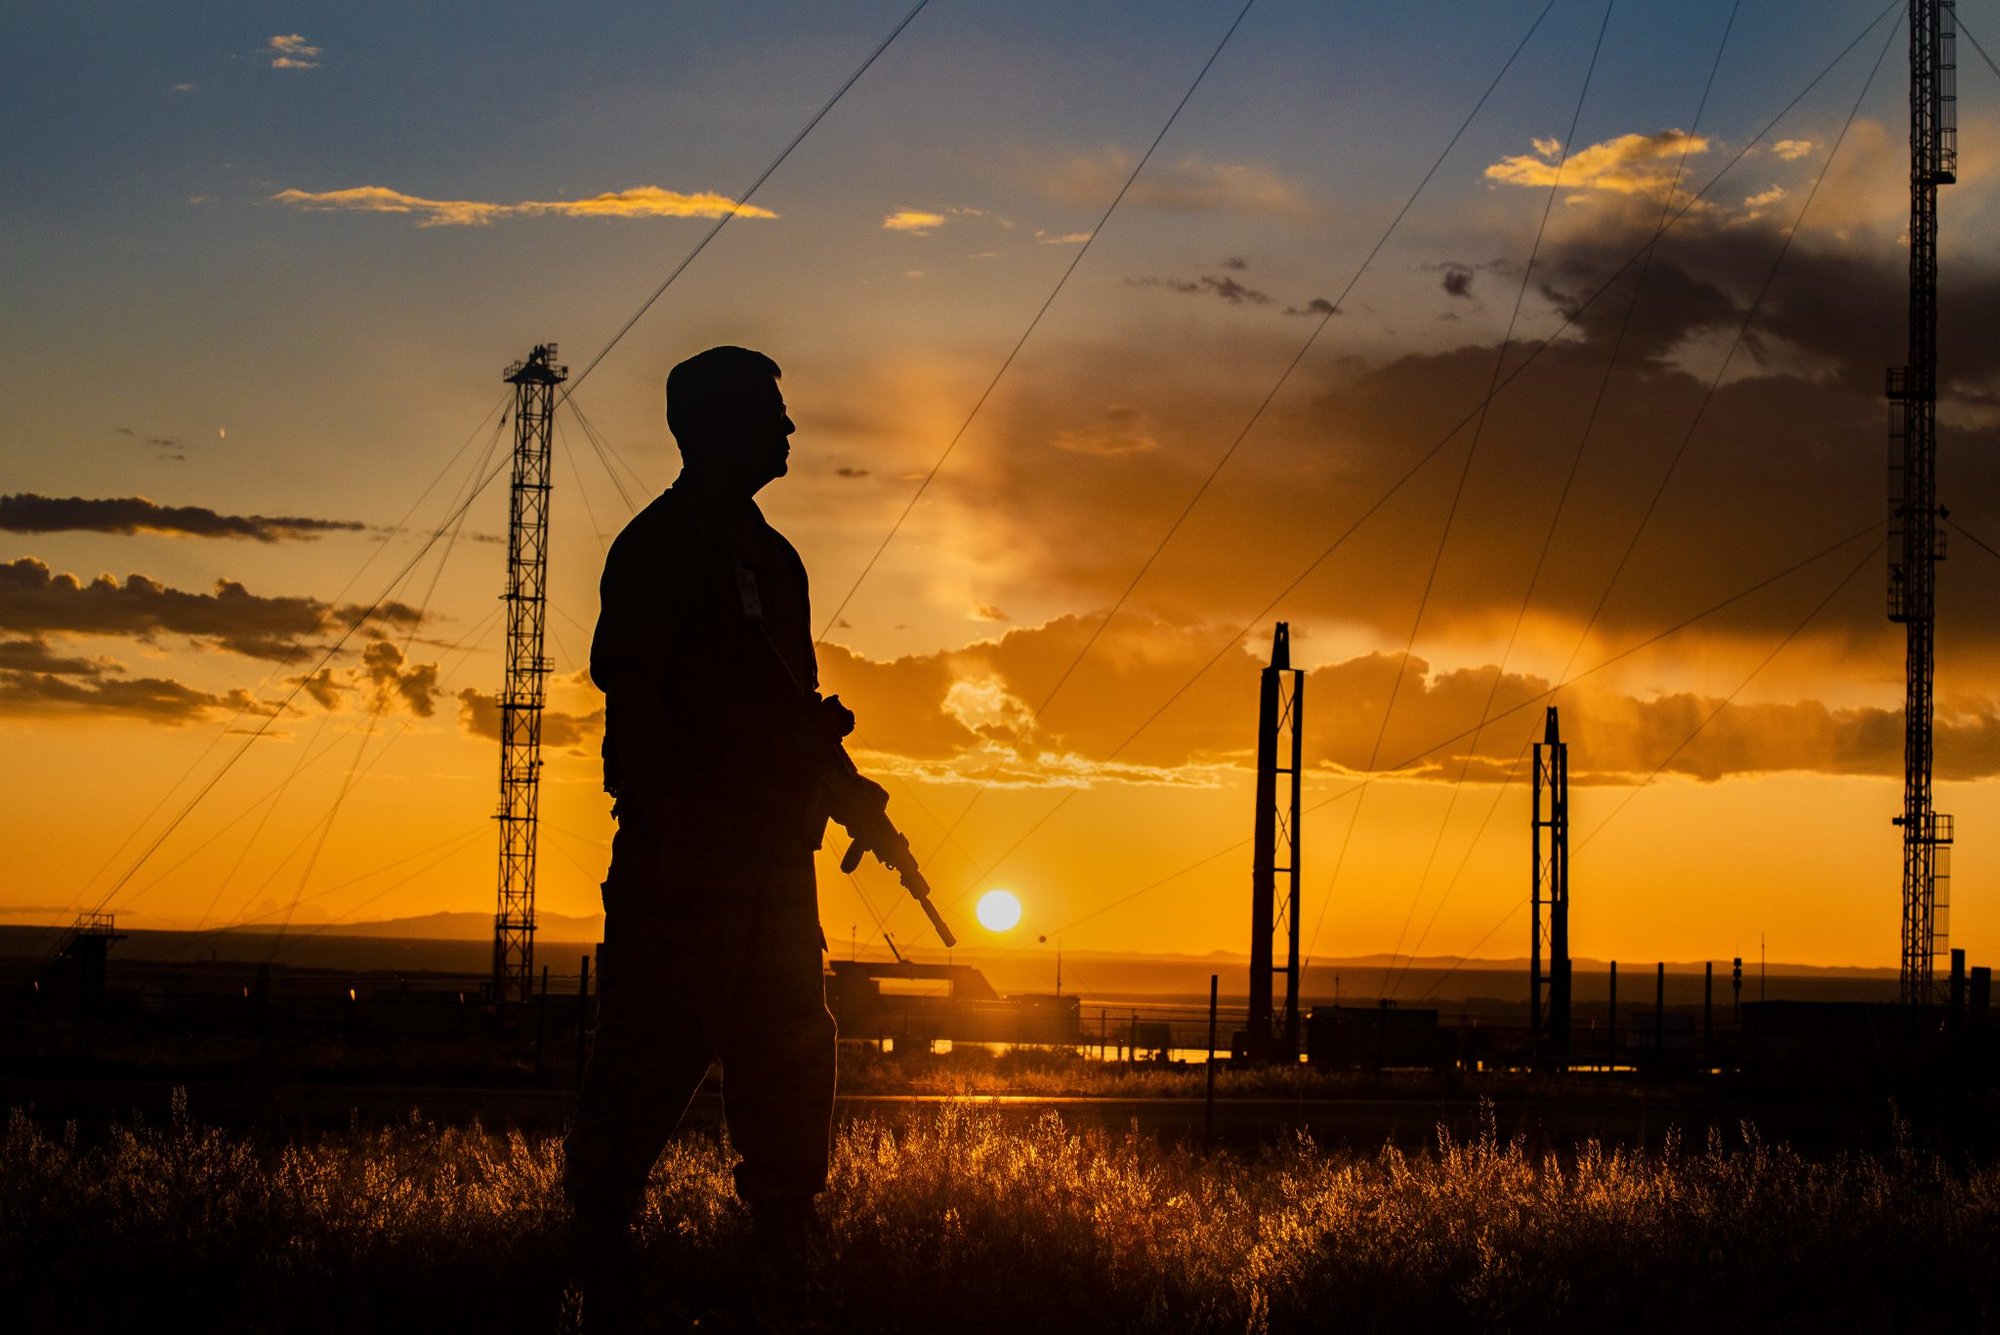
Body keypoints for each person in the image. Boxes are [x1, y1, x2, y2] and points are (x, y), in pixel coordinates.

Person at [564, 346, 869, 1287]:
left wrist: (837, 790)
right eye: (769, 410)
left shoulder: (776, 562)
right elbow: (642, 713)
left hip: (774, 862)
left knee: (789, 1047)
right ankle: (594, 1245)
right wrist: (683, 838)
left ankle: (784, 1235)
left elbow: (797, 713)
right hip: (686, 858)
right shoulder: (656, 550)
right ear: (714, 424)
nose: (787, 428)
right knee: (652, 1049)